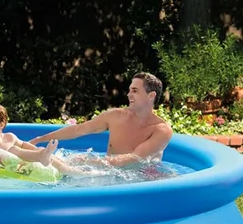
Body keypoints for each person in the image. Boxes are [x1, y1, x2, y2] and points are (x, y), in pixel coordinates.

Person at [29, 72, 173, 167]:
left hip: (142, 180)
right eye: (129, 90)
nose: (129, 94)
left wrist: (90, 162)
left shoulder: (161, 130)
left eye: (135, 91)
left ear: (151, 95)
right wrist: (41, 139)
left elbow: (135, 158)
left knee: (70, 166)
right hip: (111, 173)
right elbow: (79, 129)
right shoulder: (115, 116)